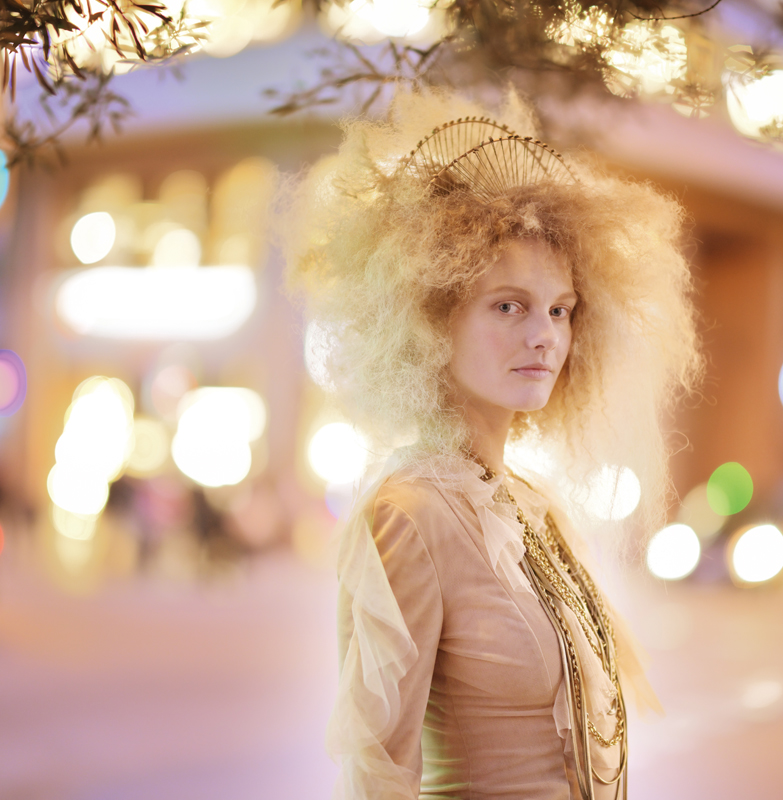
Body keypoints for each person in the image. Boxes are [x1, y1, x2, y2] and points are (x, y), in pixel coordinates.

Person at [286, 92, 700, 800]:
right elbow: (380, 773)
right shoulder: (411, 514)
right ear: (430, 317)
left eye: (560, 310)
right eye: (508, 305)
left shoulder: (531, 506)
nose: (544, 336)